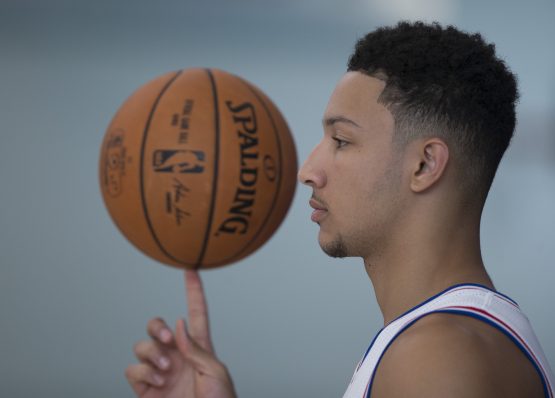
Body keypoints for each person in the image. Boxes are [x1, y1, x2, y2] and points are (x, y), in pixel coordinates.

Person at [125, 21, 555, 398]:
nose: (308, 170)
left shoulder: (436, 355)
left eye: (342, 141)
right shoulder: (445, 339)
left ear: (424, 165)